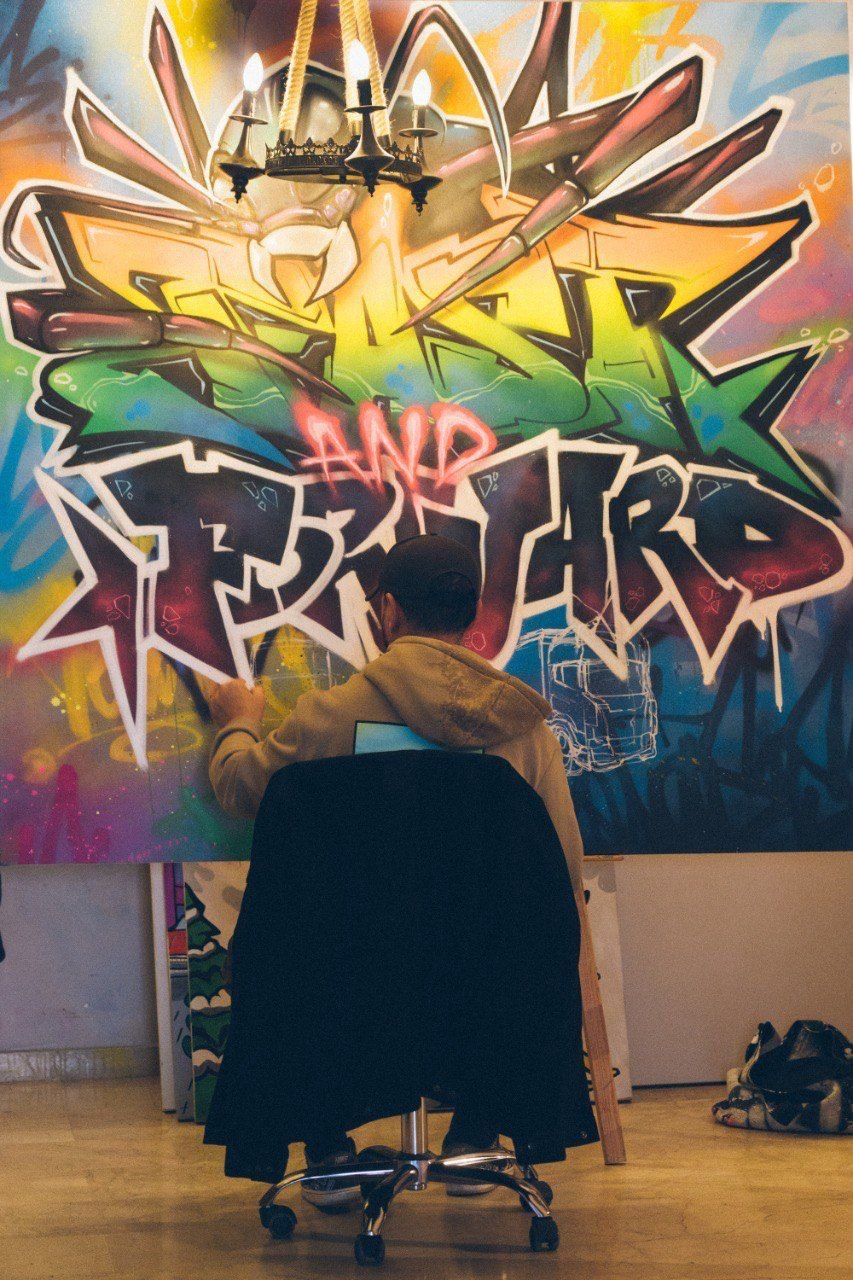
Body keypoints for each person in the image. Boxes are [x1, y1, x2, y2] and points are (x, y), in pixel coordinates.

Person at [207, 533, 584, 1208]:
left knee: (311, 950)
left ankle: (328, 1152)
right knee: (498, 954)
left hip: (351, 977)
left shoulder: (328, 718)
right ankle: (472, 1137)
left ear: (388, 611)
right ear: (471, 613)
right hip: (478, 979)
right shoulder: (522, 729)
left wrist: (238, 722)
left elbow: (240, 788)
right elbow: (559, 865)